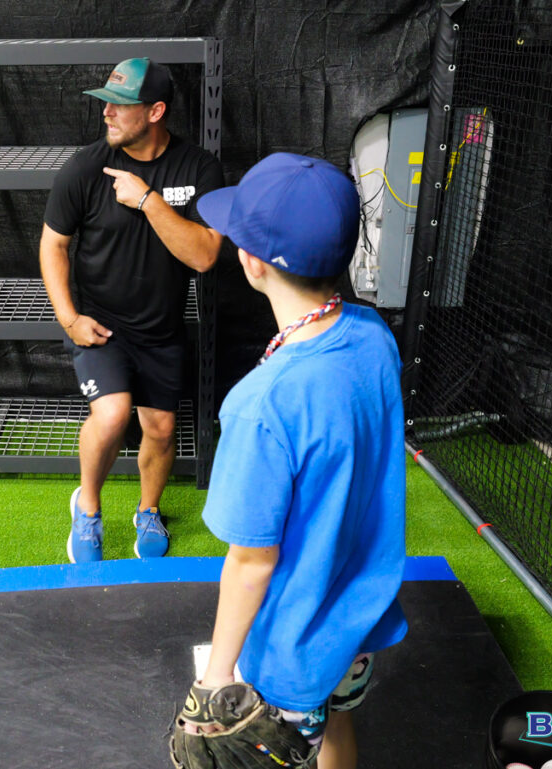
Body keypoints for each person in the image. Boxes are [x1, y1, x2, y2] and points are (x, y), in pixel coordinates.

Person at [188, 153, 408, 768]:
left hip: (292, 650)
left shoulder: (262, 404)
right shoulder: (372, 334)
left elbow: (251, 563)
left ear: (252, 262)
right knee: (338, 722)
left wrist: (216, 681)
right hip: (358, 624)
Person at [40, 58, 224, 563]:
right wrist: (68, 318)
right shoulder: (85, 167)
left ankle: (148, 510)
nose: (107, 113)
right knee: (115, 412)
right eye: (105, 103)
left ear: (156, 111)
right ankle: (89, 509)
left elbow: (206, 255)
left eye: (121, 105)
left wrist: (148, 200)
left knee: (162, 428)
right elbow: (52, 246)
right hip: (102, 325)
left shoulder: (198, 168)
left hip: (162, 329)